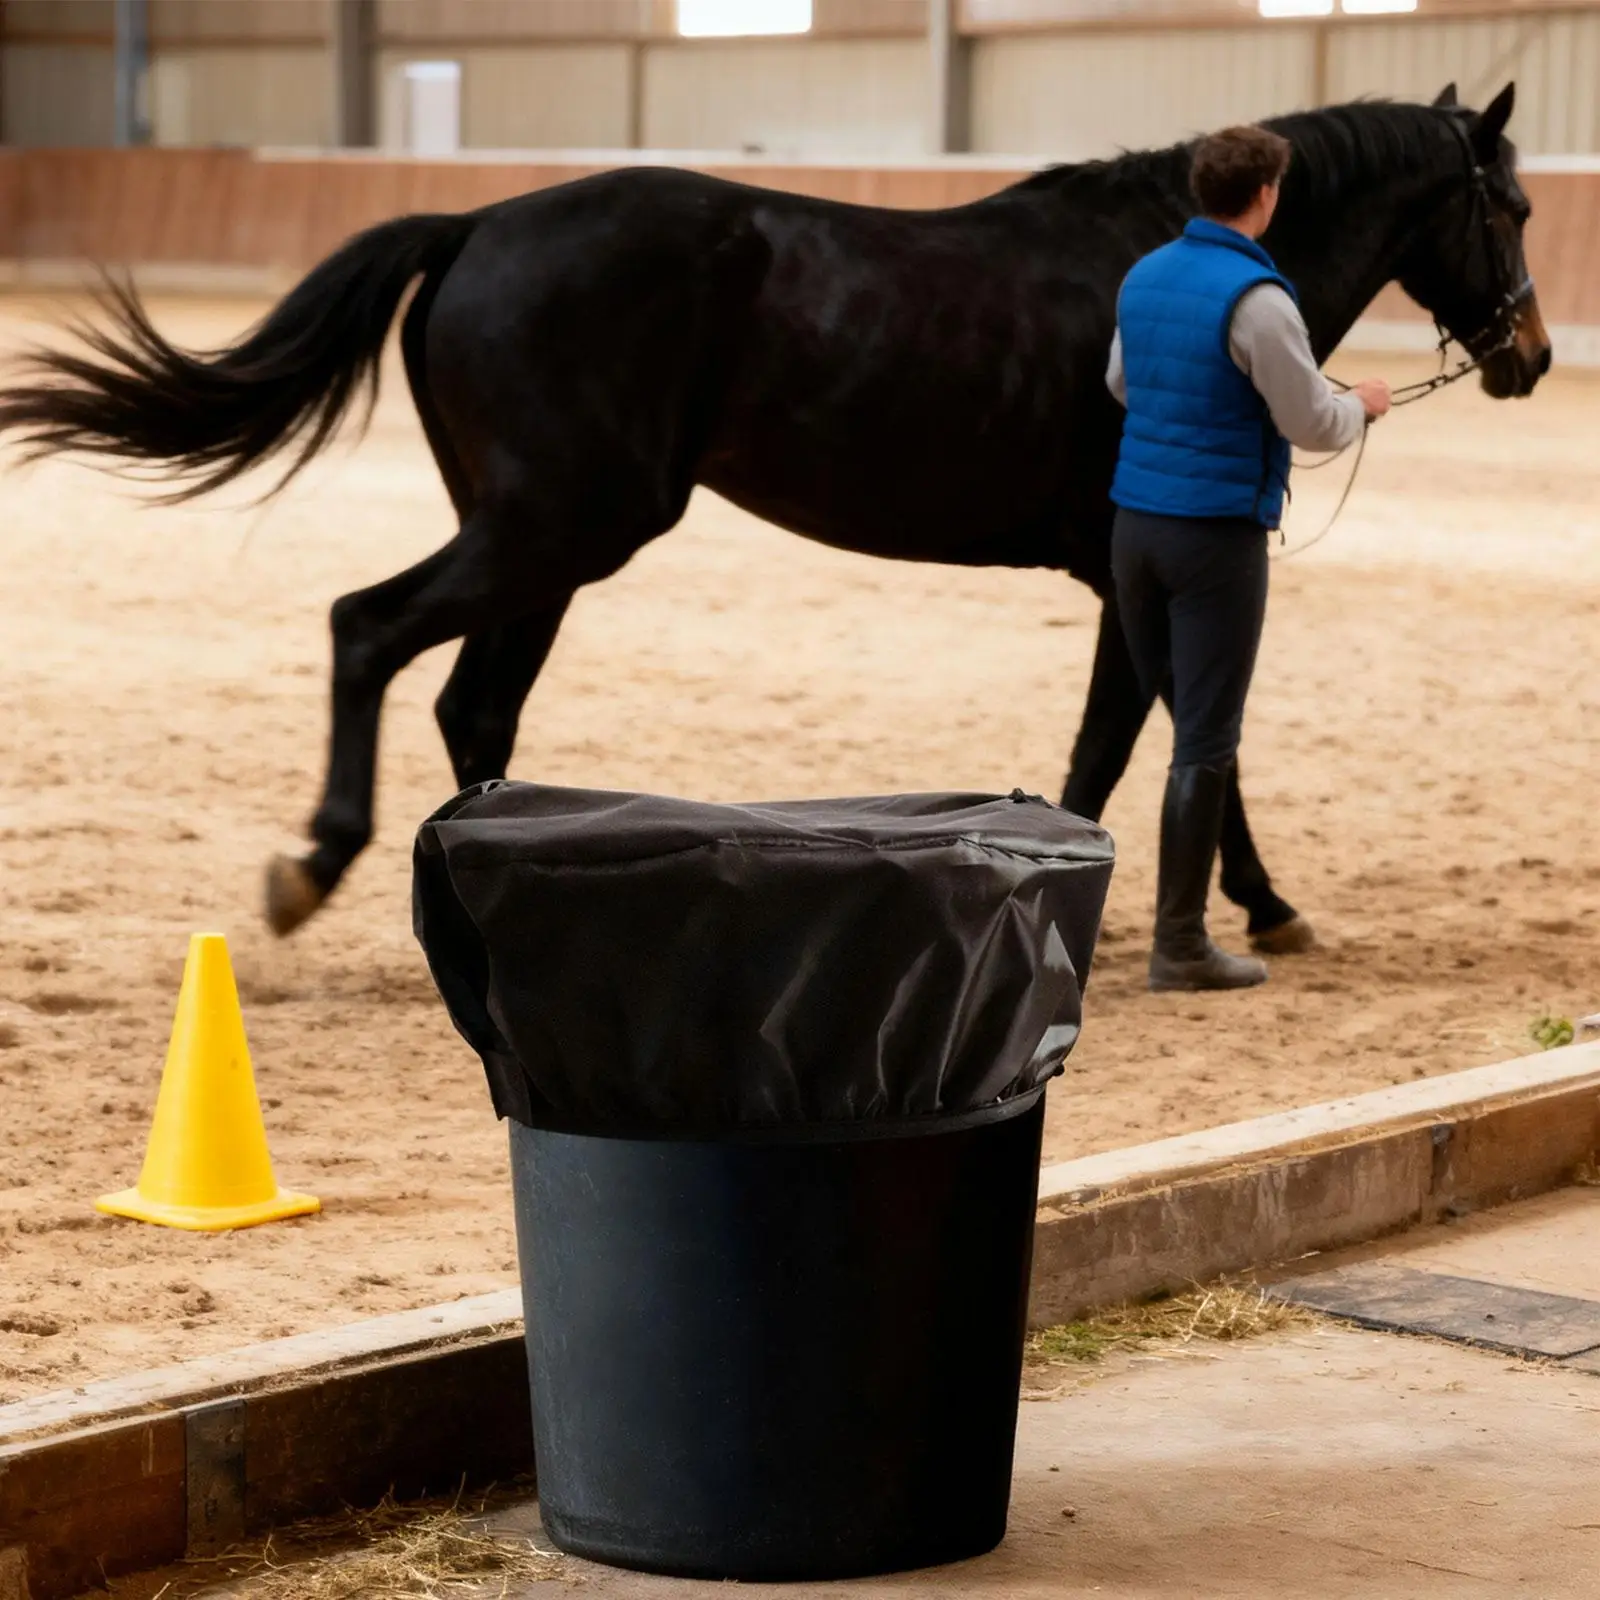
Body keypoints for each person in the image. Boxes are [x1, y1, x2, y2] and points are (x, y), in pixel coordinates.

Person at [1105, 124, 1390, 993]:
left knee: (1171, 721)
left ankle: (1168, 927)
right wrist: (1363, 404)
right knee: (1205, 737)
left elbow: (1122, 383)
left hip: (1134, 528)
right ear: (1265, 195)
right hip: (1214, 537)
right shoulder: (1260, 300)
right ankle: (1180, 944)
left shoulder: (1144, 274)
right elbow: (1312, 423)